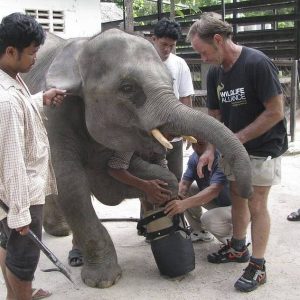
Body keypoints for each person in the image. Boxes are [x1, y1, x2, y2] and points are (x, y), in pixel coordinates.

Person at [187, 13, 288, 292]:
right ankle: (237, 248)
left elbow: (275, 111)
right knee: (237, 197)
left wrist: (234, 140)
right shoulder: (216, 73)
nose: (203, 58)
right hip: (234, 147)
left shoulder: (256, 63)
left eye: (203, 51)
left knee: (256, 204)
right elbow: (215, 116)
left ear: (218, 40)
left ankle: (258, 265)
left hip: (263, 147)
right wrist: (209, 149)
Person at [0, 12, 66, 300]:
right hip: (23, 193)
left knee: (8, 247)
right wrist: (20, 213)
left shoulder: (10, 81)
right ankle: (21, 294)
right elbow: (12, 161)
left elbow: (18, 109)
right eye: (32, 53)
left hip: (9, 195)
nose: (35, 59)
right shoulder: (6, 101)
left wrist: (40, 99)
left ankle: (16, 294)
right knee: (24, 261)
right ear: (11, 51)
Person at [164, 138, 232, 243]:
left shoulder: (221, 159)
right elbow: (185, 184)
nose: (196, 148)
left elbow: (214, 190)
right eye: (193, 144)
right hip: (218, 202)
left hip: (237, 208)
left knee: (207, 218)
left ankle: (234, 241)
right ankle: (199, 231)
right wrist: (177, 195)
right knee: (185, 193)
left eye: (200, 144)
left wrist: (184, 204)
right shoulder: (194, 158)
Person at [152, 18, 194, 181]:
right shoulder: (140, 63)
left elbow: (185, 98)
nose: (168, 49)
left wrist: (188, 127)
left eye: (172, 45)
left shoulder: (180, 64)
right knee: (148, 185)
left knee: (173, 180)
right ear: (153, 39)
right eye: (164, 44)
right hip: (146, 136)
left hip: (173, 137)